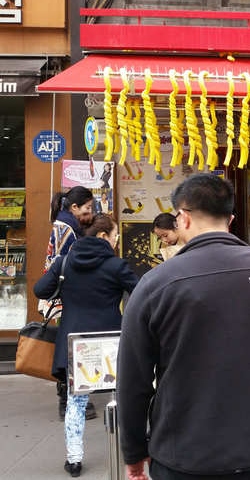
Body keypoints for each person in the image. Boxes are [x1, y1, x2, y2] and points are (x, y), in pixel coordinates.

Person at [117, 174, 250, 480]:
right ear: (230, 219)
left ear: (183, 218)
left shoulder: (156, 283)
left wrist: (134, 452)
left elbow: (133, 380)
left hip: (184, 450)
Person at [33, 213, 138, 478]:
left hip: (75, 342)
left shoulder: (64, 262)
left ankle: (74, 459)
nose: (116, 241)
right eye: (115, 235)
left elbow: (40, 290)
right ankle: (131, 450)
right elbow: (141, 293)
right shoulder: (116, 266)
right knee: (122, 397)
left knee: (76, 402)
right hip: (111, 341)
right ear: (104, 236)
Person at [44, 186, 96, 422]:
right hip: (68, 297)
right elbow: (68, 263)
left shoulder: (65, 224)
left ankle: (71, 397)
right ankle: (70, 399)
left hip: (63, 297)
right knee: (73, 347)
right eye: (87, 208)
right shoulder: (68, 229)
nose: (90, 213)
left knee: (71, 346)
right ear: (74, 207)